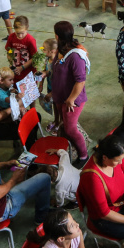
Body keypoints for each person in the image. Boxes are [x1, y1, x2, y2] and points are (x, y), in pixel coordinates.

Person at [52, 21, 90, 164]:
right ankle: (69, 150)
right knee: (65, 126)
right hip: (61, 96)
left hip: (72, 100)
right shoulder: (61, 50)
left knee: (70, 129)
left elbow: (81, 81)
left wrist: (71, 99)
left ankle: (83, 156)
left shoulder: (75, 56)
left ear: (57, 36)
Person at [5, 16, 37, 81]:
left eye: (22, 33)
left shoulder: (30, 40)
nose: (20, 36)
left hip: (27, 72)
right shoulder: (11, 37)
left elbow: (34, 57)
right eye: (17, 33)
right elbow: (9, 51)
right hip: (16, 70)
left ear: (27, 28)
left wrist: (22, 67)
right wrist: (12, 63)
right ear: (14, 28)